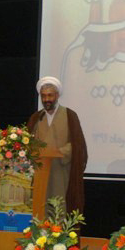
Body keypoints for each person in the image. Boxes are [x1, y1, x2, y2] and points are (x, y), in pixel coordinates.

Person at [27, 76, 88, 213]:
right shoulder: (36, 118)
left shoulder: (70, 115)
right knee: (39, 207)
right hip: (39, 170)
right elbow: (28, 142)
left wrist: (60, 152)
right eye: (43, 96)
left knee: (58, 206)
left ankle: (57, 227)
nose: (46, 99)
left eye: (50, 95)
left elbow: (77, 144)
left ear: (57, 95)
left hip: (61, 170)